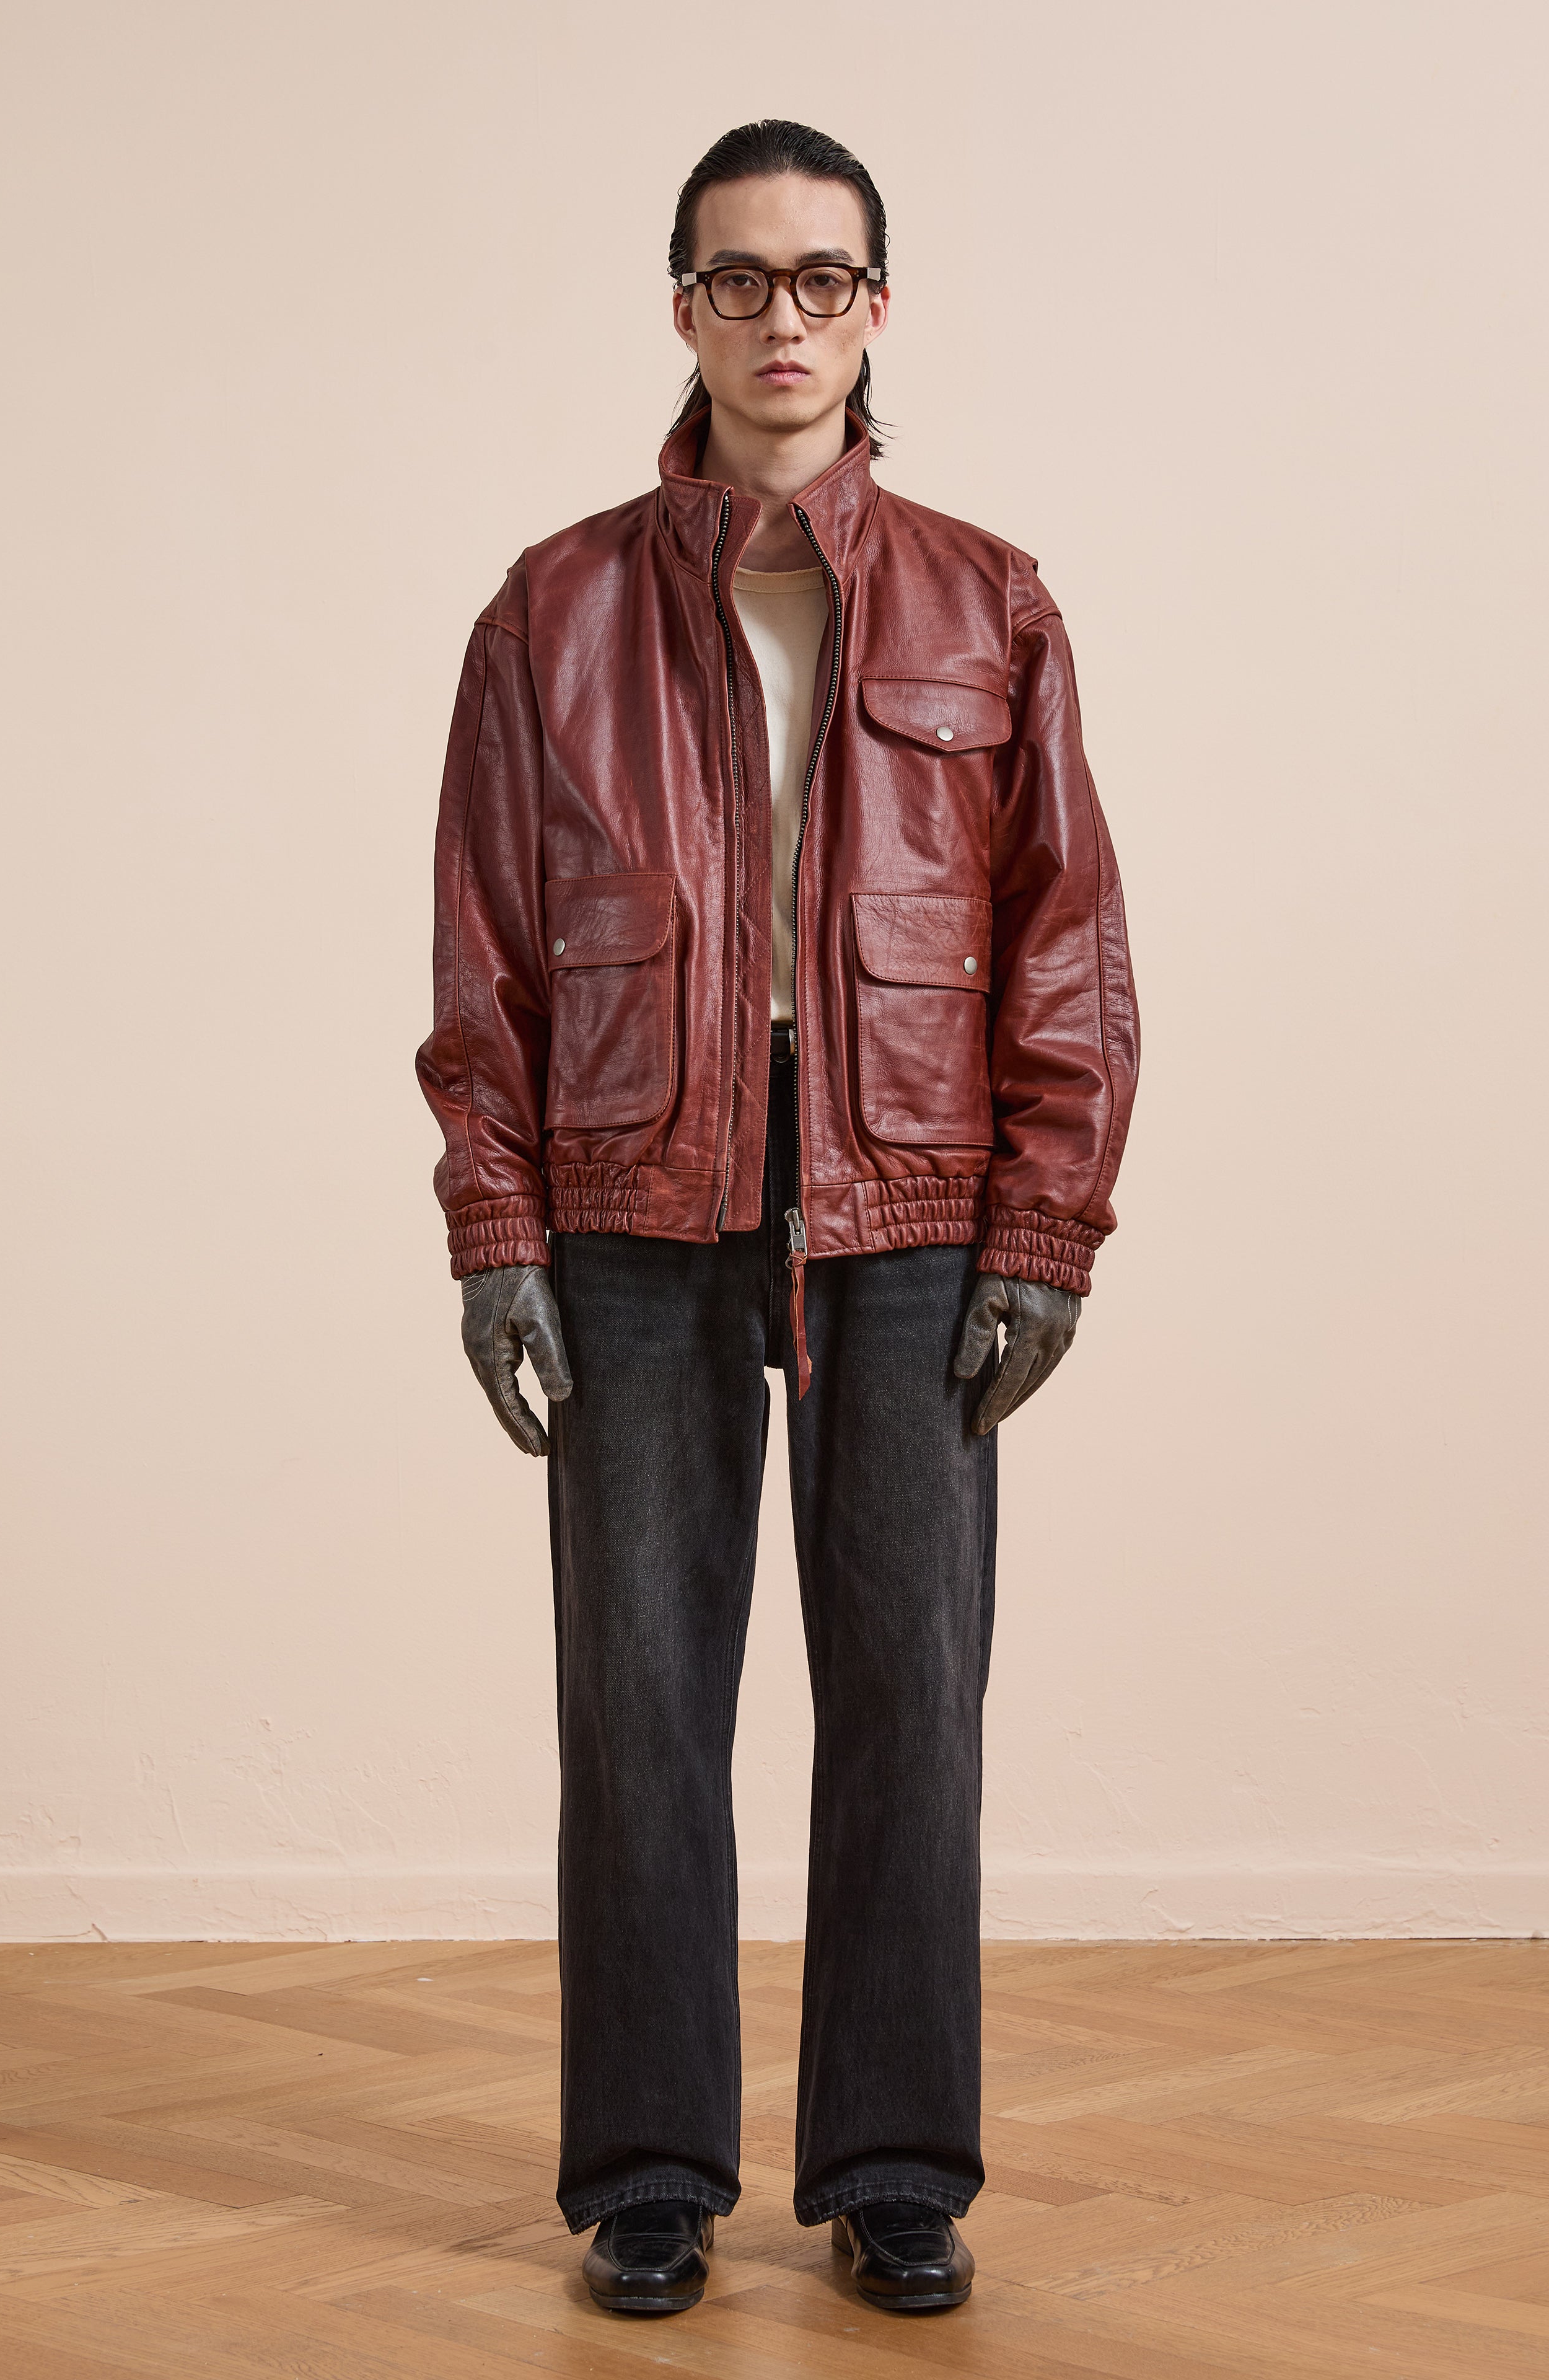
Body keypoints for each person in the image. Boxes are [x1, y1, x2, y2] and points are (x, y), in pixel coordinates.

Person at [415, 118, 1138, 2319]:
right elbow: (484, 957)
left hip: (909, 1197)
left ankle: (896, 2164)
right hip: (640, 1190)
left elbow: (1067, 937)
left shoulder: (987, 597)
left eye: (824, 280)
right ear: (682, 308)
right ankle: (650, 2166)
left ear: (878, 309)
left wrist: (1050, 1224)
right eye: (742, 281)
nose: (785, 320)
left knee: (913, 1692)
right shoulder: (552, 609)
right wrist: (491, 1222)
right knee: (640, 1695)